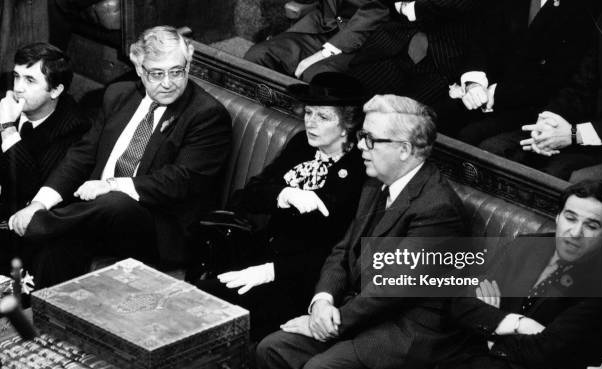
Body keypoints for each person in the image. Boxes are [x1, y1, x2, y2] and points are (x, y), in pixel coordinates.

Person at [256, 94, 470, 369]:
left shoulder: (437, 207)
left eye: (370, 139)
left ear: (404, 149)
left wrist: (333, 323)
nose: (360, 146)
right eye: (361, 136)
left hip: (404, 328)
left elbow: (392, 289)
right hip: (359, 311)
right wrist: (321, 301)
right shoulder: (375, 183)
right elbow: (343, 251)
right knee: (271, 350)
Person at [8, 26, 232, 288]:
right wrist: (39, 204)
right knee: (57, 248)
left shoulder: (206, 115)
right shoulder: (119, 94)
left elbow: (178, 181)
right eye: (156, 73)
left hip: (156, 229)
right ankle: (44, 317)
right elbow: (82, 155)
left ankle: (43, 225)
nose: (168, 82)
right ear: (139, 68)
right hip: (96, 216)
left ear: (188, 64)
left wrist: (111, 185)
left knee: (116, 201)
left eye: (177, 71)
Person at [402, 180, 602, 369]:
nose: (575, 232)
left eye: (591, 226)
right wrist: (517, 323)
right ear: (558, 217)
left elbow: (545, 351)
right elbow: (462, 301)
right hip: (474, 356)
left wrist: (491, 330)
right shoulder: (527, 245)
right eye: (570, 218)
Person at [198, 73, 367, 340]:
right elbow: (247, 196)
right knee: (197, 298)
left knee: (211, 312)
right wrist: (283, 194)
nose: (310, 122)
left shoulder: (360, 168)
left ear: (348, 123)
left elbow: (339, 251)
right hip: (259, 254)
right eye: (309, 112)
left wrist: (273, 271)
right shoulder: (302, 144)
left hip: (300, 280)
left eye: (323, 117)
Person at [437, 0, 602, 143]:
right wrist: (473, 83)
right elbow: (480, 41)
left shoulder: (584, 8)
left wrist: (496, 93)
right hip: (484, 93)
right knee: (434, 120)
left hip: (532, 107)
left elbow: (558, 80)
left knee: (471, 137)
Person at [479, 7, 602, 180]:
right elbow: (581, 86)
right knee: (492, 150)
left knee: (552, 176)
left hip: (601, 140)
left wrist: (574, 134)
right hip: (577, 129)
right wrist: (548, 122)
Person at [0, 42, 90, 274]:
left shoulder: (73, 127)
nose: (18, 88)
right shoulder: (5, 103)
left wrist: (8, 129)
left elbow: (33, 187)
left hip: (28, 233)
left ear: (56, 90)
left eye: (30, 80)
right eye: (16, 77)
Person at [349, 0, 484, 105]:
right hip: (391, 44)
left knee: (399, 125)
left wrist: (411, 8)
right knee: (348, 104)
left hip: (441, 63)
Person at [243, 0, 389, 82]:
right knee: (258, 56)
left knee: (317, 77)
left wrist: (325, 53)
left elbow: (376, 12)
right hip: (323, 24)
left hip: (365, 37)